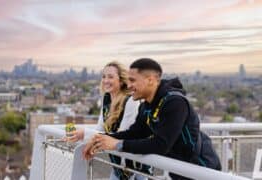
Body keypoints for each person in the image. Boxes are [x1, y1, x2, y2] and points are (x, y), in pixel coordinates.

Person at [83, 58, 221, 180]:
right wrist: (99, 141)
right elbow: (134, 133)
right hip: (179, 171)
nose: (129, 85)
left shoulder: (175, 103)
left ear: (150, 80)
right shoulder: (147, 106)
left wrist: (117, 145)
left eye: (133, 80)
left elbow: (161, 144)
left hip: (202, 170)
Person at [65, 61, 148, 180]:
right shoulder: (107, 99)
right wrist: (88, 143)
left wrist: (85, 134)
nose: (105, 80)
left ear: (121, 80)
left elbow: (122, 137)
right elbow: (100, 129)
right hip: (118, 166)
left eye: (110, 77)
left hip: (137, 168)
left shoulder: (131, 101)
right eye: (103, 76)